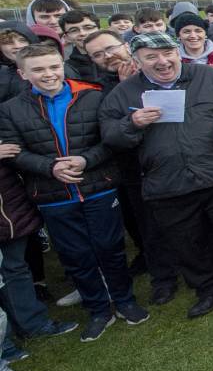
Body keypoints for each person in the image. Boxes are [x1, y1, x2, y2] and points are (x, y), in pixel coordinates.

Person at [100, 32, 213, 317]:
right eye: (151, 57)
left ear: (178, 52)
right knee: (186, 240)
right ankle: (207, 288)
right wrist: (132, 122)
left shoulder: (208, 77)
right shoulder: (124, 93)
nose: (162, 62)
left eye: (168, 53)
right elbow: (110, 135)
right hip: (167, 181)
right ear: (137, 61)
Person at [0, 45, 147, 342]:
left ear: (62, 65)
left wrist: (85, 160)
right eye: (38, 69)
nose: (48, 74)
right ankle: (98, 310)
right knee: (76, 255)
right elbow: (15, 152)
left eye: (53, 66)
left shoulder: (92, 96)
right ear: (23, 73)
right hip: (52, 195)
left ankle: (124, 300)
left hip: (99, 187)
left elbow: (110, 140)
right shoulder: (11, 108)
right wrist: (49, 167)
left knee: (110, 247)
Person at [82, 29, 182, 304]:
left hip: (179, 156)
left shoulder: (163, 67)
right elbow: (105, 127)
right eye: (97, 54)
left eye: (110, 48)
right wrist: (124, 90)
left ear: (126, 46)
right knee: (149, 225)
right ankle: (163, 277)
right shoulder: (95, 87)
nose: (108, 56)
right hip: (134, 165)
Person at [0, 143, 79, 345]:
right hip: (9, 210)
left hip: (9, 208)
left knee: (16, 268)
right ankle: (5, 344)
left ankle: (32, 325)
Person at [59, 10, 104, 84]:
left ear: (100, 30)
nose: (82, 33)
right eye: (74, 30)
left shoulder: (118, 58)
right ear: (66, 37)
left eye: (88, 28)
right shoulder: (66, 69)